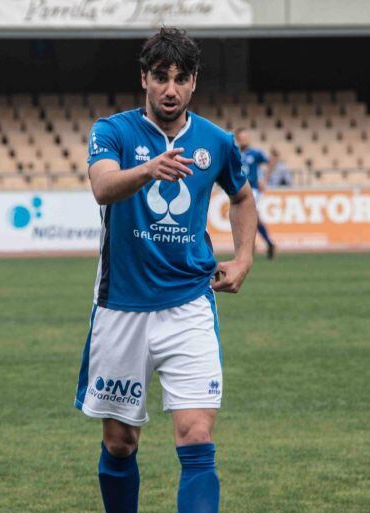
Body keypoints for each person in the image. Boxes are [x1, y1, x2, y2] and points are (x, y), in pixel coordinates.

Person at [74, 28, 257, 513]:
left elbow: (241, 196)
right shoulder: (111, 131)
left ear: (193, 82)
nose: (170, 89)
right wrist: (149, 169)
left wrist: (243, 258)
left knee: (196, 435)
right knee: (120, 442)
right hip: (121, 308)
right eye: (160, 78)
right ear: (144, 79)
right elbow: (102, 186)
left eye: (180, 79)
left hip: (190, 304)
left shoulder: (215, 142)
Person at [234, 127, 276, 258]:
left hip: (253, 189)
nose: (244, 140)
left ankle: (255, 245)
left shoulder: (255, 153)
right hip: (239, 189)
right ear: (238, 139)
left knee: (251, 215)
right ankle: (262, 243)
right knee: (245, 218)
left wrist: (265, 179)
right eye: (242, 138)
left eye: (246, 137)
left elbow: (272, 161)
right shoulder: (234, 153)